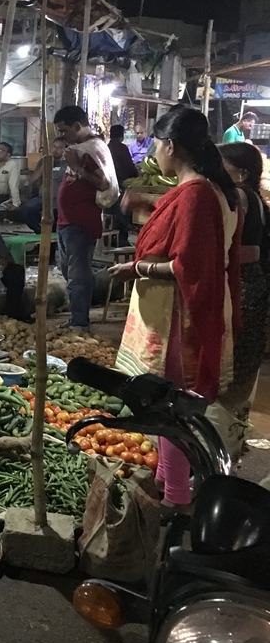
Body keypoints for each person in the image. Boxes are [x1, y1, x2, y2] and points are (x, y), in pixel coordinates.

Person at [110, 106, 240, 513]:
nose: (154, 152)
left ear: (171, 145)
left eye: (155, 144)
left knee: (168, 409)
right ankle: (168, 484)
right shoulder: (213, 189)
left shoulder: (197, 194)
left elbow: (189, 266)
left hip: (177, 319)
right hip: (185, 311)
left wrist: (137, 268)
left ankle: (175, 500)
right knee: (169, 408)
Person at [207, 142, 268, 460]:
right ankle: (229, 445)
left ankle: (215, 456)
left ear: (242, 173)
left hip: (241, 291)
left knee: (225, 376)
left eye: (223, 165)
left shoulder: (240, 198)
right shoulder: (255, 200)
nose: (217, 171)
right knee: (241, 374)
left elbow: (244, 252)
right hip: (253, 290)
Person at [53, 105, 112, 332]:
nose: (62, 136)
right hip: (67, 221)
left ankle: (80, 322)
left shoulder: (92, 149)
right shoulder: (80, 147)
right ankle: (76, 316)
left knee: (78, 273)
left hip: (81, 222)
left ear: (77, 126)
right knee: (68, 270)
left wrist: (76, 166)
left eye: (64, 130)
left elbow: (102, 182)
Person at [20, 137, 67, 234]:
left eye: (59, 148)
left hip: (59, 199)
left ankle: (51, 241)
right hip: (43, 197)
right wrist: (46, 164)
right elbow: (33, 179)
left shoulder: (67, 163)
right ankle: (41, 233)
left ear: (65, 149)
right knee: (25, 211)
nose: (56, 150)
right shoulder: (43, 161)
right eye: (54, 147)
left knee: (54, 219)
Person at [108, 125, 139, 246]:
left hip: (108, 186)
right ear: (121, 135)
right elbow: (129, 167)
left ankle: (109, 240)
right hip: (120, 184)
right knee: (121, 213)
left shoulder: (107, 147)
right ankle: (121, 240)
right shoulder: (121, 148)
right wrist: (135, 175)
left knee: (110, 214)